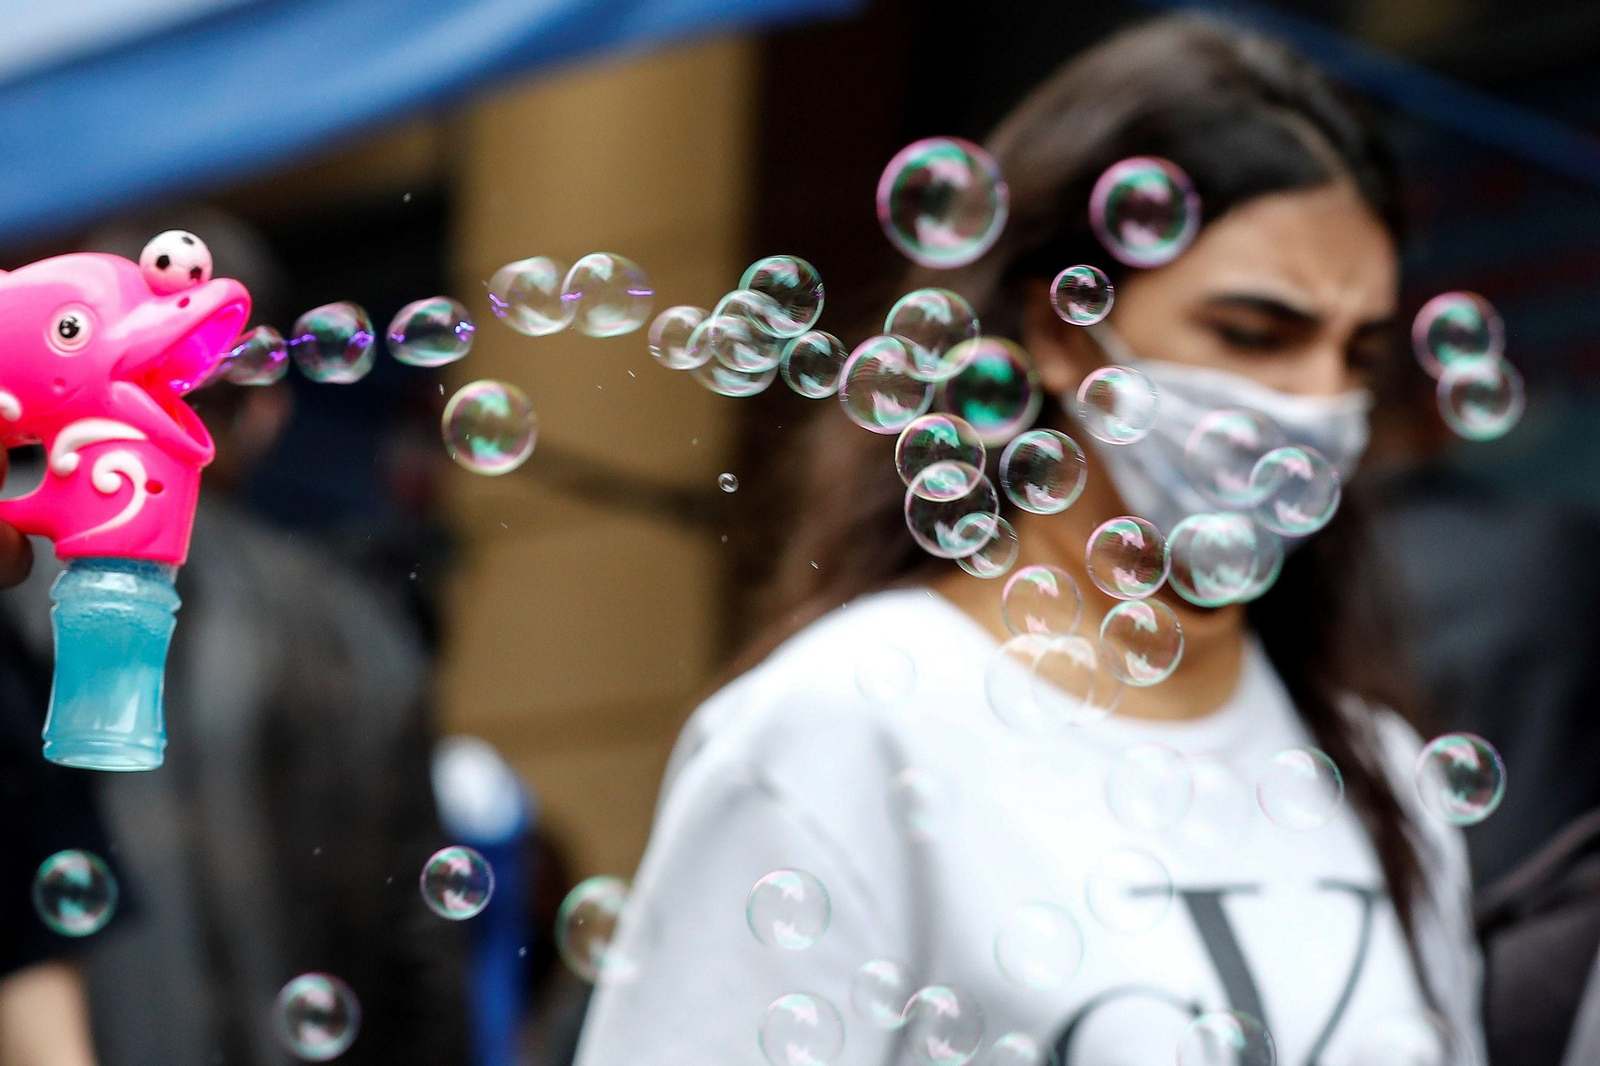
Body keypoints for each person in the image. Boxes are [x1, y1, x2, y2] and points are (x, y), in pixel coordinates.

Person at [572, 15, 1485, 1066]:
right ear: (1058, 331)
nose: (1317, 402)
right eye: (1251, 334)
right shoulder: (841, 728)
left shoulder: (1385, 774)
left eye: (1358, 354)